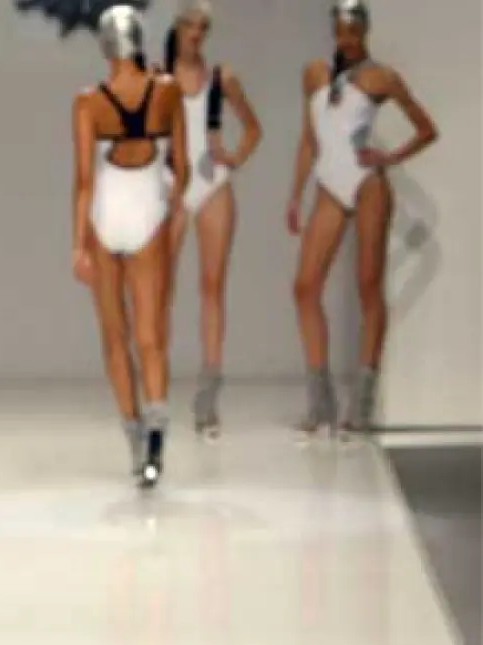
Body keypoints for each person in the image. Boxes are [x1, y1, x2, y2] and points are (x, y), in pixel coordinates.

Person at [286, 0, 437, 440]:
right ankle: (321, 403)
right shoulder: (314, 73)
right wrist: (295, 194)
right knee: (305, 287)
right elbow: (309, 140)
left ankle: (362, 405)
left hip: (368, 184)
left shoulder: (381, 77)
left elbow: (427, 129)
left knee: (368, 286)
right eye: (340, 31)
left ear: (365, 30)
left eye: (353, 31)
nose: (347, 39)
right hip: (329, 185)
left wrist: (389, 158)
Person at [72, 5, 188, 486]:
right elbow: (182, 166)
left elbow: (83, 181)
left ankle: (136, 441)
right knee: (150, 337)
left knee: (114, 337)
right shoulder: (168, 91)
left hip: (104, 217)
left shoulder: (88, 103)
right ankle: (156, 440)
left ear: (104, 45)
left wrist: (77, 245)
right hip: (148, 215)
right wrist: (170, 206)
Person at [159, 0, 262, 440]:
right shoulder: (158, 79)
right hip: (172, 186)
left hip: (213, 184)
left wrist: (234, 156)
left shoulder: (221, 78)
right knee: (161, 290)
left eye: (203, 27)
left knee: (212, 287)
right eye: (190, 25)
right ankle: (156, 392)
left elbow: (253, 127)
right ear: (178, 26)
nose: (197, 34)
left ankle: (208, 399)